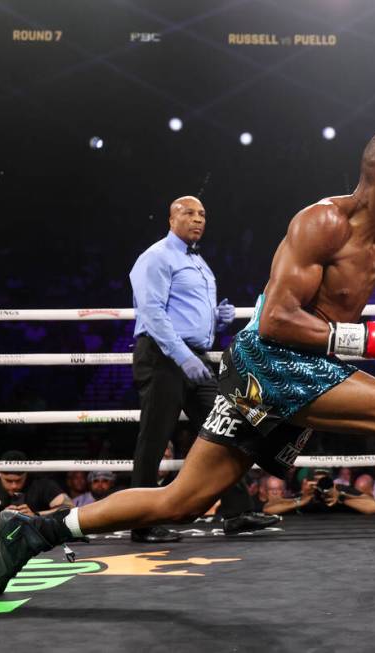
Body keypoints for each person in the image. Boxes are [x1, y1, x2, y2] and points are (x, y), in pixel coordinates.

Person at [0, 131, 375, 612]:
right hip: (272, 361)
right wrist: (363, 338)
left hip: (298, 364)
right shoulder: (322, 223)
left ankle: (36, 530)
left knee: (180, 500)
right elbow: (275, 318)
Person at [127, 195, 275, 542]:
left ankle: (237, 512)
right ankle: (141, 522)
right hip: (164, 356)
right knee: (154, 438)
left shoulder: (200, 264)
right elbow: (152, 313)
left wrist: (217, 319)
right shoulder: (155, 257)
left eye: (203, 214)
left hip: (195, 356)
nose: (198, 219)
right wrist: (183, 357)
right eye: (189, 213)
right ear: (171, 218)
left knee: (225, 428)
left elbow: (188, 313)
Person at [0, 451, 72, 526]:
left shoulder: (43, 484)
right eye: (9, 481)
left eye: (18, 480)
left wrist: (36, 516)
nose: (14, 486)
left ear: (26, 473)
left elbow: (69, 508)